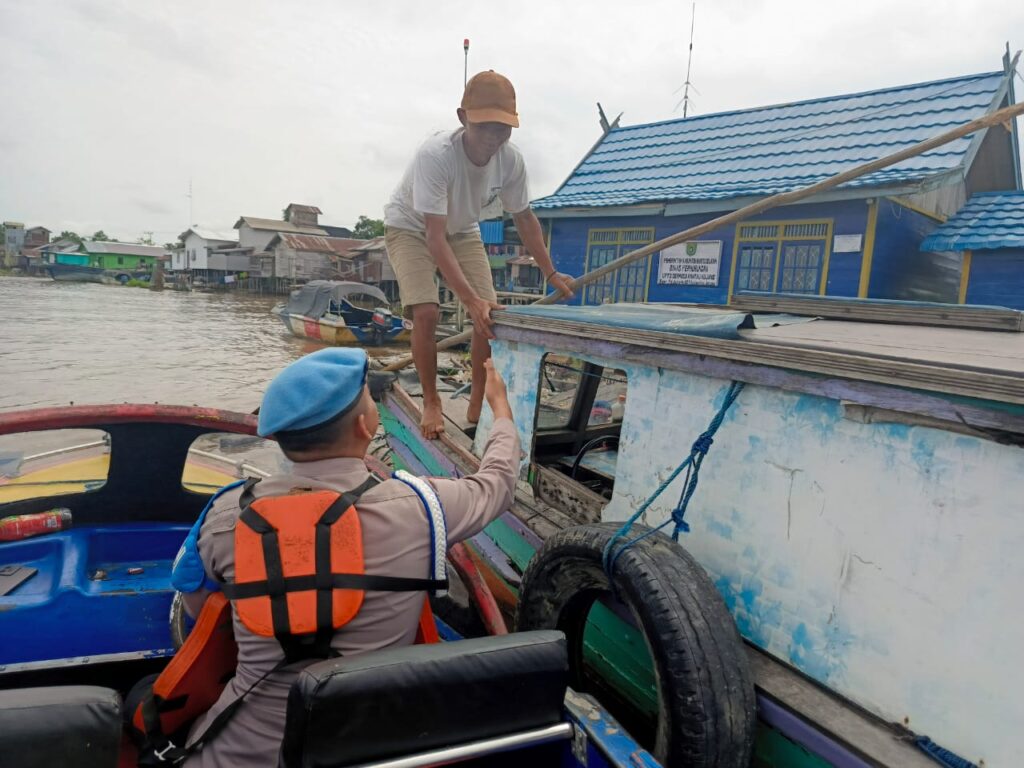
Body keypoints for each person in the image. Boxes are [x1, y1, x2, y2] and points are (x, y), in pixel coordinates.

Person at [171, 347, 520, 767]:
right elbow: (498, 483)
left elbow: (198, 609)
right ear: (365, 425)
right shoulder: (423, 507)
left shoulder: (226, 514)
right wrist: (500, 409)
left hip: (236, 754)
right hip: (372, 746)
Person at [384, 69, 574, 439]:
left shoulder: (511, 161)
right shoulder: (436, 155)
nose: (492, 136)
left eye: (502, 128)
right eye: (484, 125)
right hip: (411, 226)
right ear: (463, 118)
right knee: (426, 311)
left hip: (463, 228)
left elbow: (525, 218)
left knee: (490, 314)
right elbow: (433, 237)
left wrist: (551, 272)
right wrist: (467, 300)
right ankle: (433, 402)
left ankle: (476, 398)